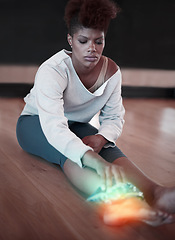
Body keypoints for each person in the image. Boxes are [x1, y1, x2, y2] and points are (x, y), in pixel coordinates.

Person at [16, 0, 175, 226]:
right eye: (83, 41)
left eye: (98, 41)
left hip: (76, 124)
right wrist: (95, 161)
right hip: (36, 123)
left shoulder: (112, 72)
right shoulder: (52, 70)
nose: (92, 48)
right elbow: (55, 128)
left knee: (106, 146)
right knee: (72, 152)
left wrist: (100, 138)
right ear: (71, 41)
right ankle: (118, 203)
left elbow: (113, 117)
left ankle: (157, 193)